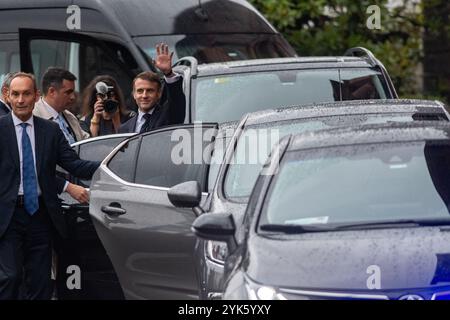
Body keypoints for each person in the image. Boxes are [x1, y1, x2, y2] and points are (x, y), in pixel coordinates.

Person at [0, 72, 100, 300]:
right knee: (11, 277)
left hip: (40, 216)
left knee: (41, 282)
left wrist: (109, 165)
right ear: (8, 96)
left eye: (26, 94)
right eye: (15, 94)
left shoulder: (50, 131)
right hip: (8, 217)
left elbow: (75, 164)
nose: (21, 100)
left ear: (36, 96)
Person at [33, 67, 90, 204]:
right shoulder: (33, 116)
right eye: (68, 92)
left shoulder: (69, 117)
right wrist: (66, 186)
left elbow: (88, 145)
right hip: (51, 193)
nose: (73, 97)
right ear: (52, 91)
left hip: (77, 186)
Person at [119, 43, 185, 133]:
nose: (144, 95)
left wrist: (168, 73)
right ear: (134, 94)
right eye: (140, 91)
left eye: (150, 91)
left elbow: (177, 100)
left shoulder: (168, 115)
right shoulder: (124, 128)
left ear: (158, 94)